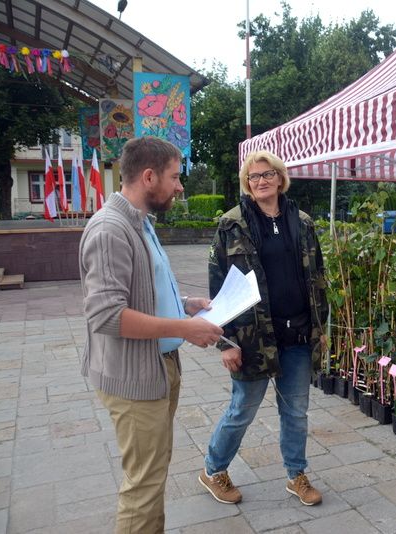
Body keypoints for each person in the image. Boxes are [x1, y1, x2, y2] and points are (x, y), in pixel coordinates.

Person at [79, 136, 223, 533]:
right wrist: (184, 329)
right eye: (175, 177)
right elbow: (107, 315)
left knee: (152, 475)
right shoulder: (111, 230)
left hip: (158, 368)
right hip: (135, 378)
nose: (180, 186)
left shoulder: (140, 223)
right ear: (148, 177)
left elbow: (148, 288)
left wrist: (185, 303)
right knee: (143, 486)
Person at [199, 150, 328, 507]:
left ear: (280, 177)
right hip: (253, 338)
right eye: (253, 177)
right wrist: (224, 342)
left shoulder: (302, 221)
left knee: (296, 410)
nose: (261, 181)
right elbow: (217, 287)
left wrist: (322, 326)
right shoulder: (231, 224)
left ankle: (296, 475)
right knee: (243, 408)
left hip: (299, 333)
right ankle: (214, 469)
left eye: (267, 174)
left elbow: (318, 277)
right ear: (247, 183)